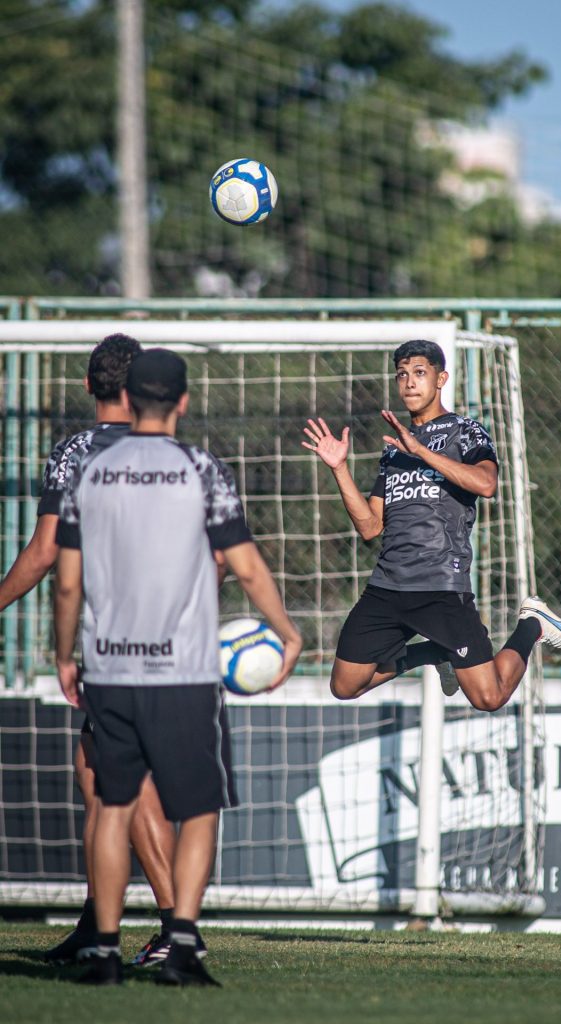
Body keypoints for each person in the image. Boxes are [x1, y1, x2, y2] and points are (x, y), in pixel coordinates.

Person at [54, 348, 302, 986]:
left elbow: (67, 582)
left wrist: (63, 655)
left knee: (111, 806)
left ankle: (103, 952)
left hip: (109, 667)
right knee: (197, 809)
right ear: (184, 402)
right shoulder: (202, 469)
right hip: (184, 672)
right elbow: (243, 564)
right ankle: (182, 946)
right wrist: (286, 632)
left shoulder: (91, 470)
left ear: (127, 399)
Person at [0, 334, 183, 967]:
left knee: (121, 786)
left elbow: (44, 553)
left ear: (89, 387)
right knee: (96, 776)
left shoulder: (77, 451)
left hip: (121, 640)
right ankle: (95, 923)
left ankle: (177, 932)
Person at [302, 338, 561, 712]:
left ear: (440, 378)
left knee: (489, 697)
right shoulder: (394, 448)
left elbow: (486, 483)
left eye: (419, 373)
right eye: (402, 375)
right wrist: (339, 468)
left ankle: (533, 624)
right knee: (346, 685)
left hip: (440, 588)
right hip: (388, 586)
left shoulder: (464, 431)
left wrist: (421, 453)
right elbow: (369, 526)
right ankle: (434, 652)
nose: (410, 383)